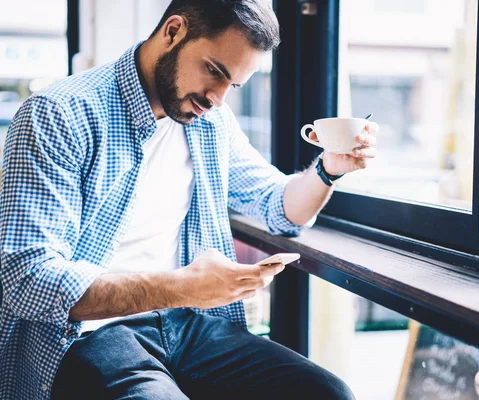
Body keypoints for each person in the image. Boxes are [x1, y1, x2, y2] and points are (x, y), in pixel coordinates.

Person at [0, 1, 378, 399]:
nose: (217, 98)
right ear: (173, 32)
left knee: (328, 393)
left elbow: (277, 206)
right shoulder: (59, 113)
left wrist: (328, 168)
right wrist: (184, 287)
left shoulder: (210, 121)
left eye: (232, 85)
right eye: (214, 71)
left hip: (188, 324)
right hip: (88, 334)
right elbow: (27, 281)